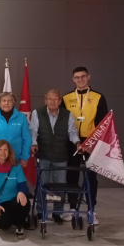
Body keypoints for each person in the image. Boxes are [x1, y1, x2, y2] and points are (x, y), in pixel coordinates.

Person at [61, 66, 107, 224]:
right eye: (77, 77)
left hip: (91, 143)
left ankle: (91, 210)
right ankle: (73, 208)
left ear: (89, 77)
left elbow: (103, 124)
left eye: (83, 76)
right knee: (72, 176)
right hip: (72, 142)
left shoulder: (98, 97)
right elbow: (62, 122)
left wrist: (91, 143)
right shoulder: (66, 98)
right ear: (73, 79)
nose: (80, 80)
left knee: (90, 177)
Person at [30, 89, 81, 225]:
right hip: (44, 155)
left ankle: (57, 213)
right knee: (43, 184)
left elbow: (72, 132)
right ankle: (41, 212)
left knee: (60, 186)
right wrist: (34, 144)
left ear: (59, 101)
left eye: (56, 99)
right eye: (50, 99)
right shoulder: (37, 113)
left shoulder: (67, 114)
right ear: (45, 100)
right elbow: (33, 131)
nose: (53, 102)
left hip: (60, 155)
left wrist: (77, 143)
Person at [0, 140, 30, 239]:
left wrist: (21, 192)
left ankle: (19, 225)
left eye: (5, 149)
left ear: (9, 151)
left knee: (25, 202)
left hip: (14, 201)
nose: (3, 152)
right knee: (3, 225)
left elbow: (23, 185)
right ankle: (12, 220)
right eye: (0, 149)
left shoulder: (16, 166)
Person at [0, 92, 32, 168]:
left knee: (14, 179)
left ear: (13, 103)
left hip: (16, 158)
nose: (6, 103)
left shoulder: (21, 117)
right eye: (3, 100)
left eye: (9, 101)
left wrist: (24, 157)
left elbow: (27, 138)